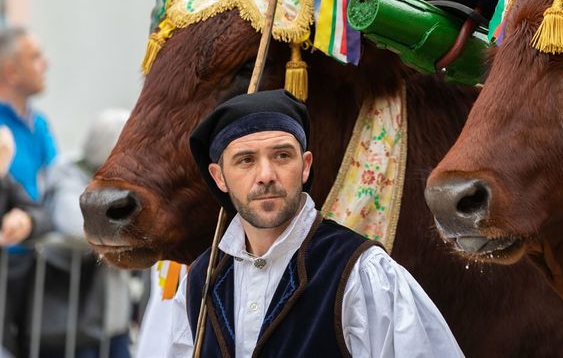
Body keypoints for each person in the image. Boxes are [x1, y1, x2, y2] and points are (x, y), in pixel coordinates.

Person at [166, 90, 463, 358]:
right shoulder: (199, 283)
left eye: (282, 156)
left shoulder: (361, 272)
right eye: (246, 160)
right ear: (219, 177)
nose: (266, 174)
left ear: (305, 165)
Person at [40, 109, 134, 358]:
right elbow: (73, 227)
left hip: (115, 321)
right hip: (76, 324)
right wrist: (127, 230)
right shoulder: (67, 174)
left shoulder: (120, 184)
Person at [0, 27, 57, 357]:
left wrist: (29, 219)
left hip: (34, 261)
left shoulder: (40, 124)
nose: (44, 64)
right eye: (35, 57)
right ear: (11, 71)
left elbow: (51, 190)